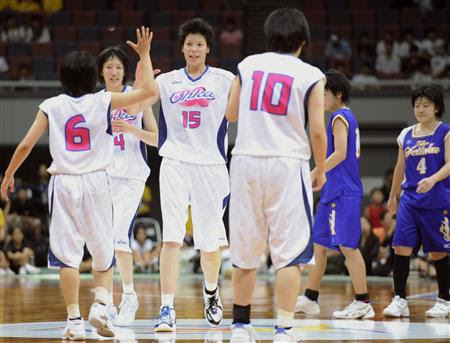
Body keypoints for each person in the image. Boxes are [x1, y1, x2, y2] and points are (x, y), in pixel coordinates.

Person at [0, 26, 156, 340]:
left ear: (63, 77)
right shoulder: (104, 101)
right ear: (93, 76)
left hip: (65, 183)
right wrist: (144, 55)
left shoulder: (52, 104)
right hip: (99, 181)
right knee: (105, 251)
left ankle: (74, 319)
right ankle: (101, 302)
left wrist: (9, 173)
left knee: (67, 256)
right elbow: (149, 93)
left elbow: (25, 146)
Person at [225, 8, 327, 342]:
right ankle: (283, 330)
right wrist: (321, 169)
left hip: (245, 161)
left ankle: (240, 326)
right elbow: (317, 133)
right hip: (286, 163)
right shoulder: (311, 74)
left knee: (245, 247)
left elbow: (231, 113)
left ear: (269, 35)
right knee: (290, 253)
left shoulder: (248, 64)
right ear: (303, 40)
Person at [145, 18, 234, 332]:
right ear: (182, 48)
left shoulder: (226, 80)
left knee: (209, 246)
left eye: (200, 44)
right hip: (175, 164)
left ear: (208, 48)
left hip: (211, 167)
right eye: (189, 44)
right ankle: (166, 308)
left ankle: (211, 291)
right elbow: (141, 97)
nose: (194, 49)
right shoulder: (168, 81)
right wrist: (144, 57)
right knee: (171, 239)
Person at [295, 70, 374, 319]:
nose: (322, 98)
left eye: (325, 93)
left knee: (348, 247)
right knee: (319, 245)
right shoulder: (340, 117)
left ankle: (363, 302)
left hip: (344, 191)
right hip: (333, 189)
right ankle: (310, 297)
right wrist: (323, 176)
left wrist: (316, 171)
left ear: (337, 94)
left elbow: (340, 153)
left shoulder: (340, 116)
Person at [97, 45, 158, 326]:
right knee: (103, 242)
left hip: (131, 177)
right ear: (101, 72)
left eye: (118, 67)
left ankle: (129, 295)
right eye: (109, 66)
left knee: (119, 237)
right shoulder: (95, 101)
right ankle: (107, 301)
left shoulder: (137, 98)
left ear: (125, 72)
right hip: (104, 176)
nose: (113, 71)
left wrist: (133, 129)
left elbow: (157, 140)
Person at [383, 84, 449, 318]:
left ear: (436, 107)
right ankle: (399, 299)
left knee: (438, 252)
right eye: (417, 105)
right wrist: (392, 195)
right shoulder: (406, 134)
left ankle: (444, 299)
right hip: (410, 198)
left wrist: (433, 178)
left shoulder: (445, 132)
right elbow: (400, 167)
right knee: (400, 247)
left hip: (437, 198)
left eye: (426, 105)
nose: (420, 109)